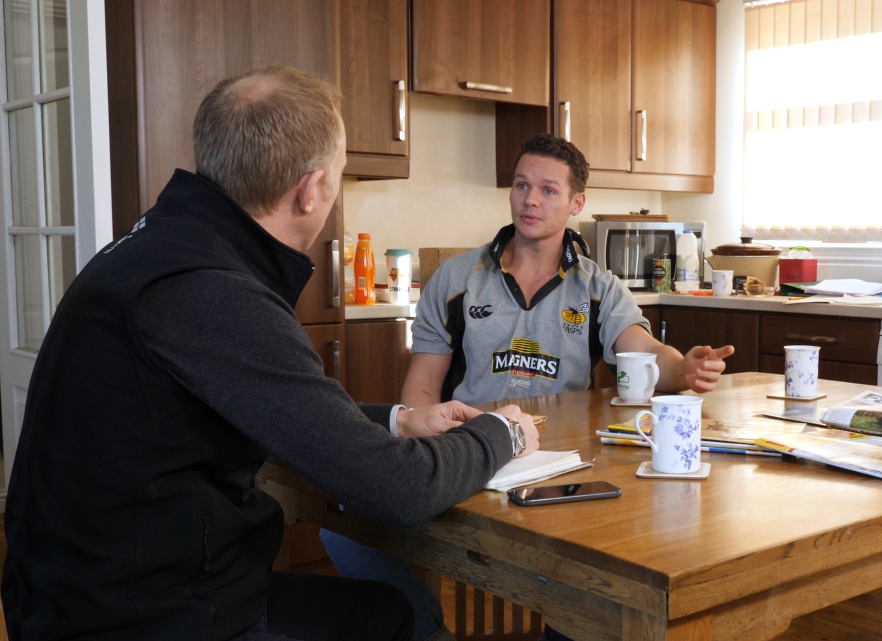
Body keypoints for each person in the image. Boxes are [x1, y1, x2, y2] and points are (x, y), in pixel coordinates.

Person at [0, 66, 540, 641]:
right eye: (335, 180)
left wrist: (399, 420)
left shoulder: (159, 246)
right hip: (142, 616)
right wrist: (501, 434)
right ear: (309, 192)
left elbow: (272, 408)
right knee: (395, 617)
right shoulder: (215, 292)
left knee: (387, 609)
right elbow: (396, 489)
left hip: (84, 589)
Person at [321, 133, 734, 641]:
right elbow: (422, 391)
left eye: (548, 190)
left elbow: (644, 353)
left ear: (577, 202)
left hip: (561, 462)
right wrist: (417, 465)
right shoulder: (454, 279)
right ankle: (428, 632)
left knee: (595, 577)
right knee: (342, 520)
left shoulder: (599, 286)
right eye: (521, 186)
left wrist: (684, 368)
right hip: (471, 452)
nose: (531, 200)